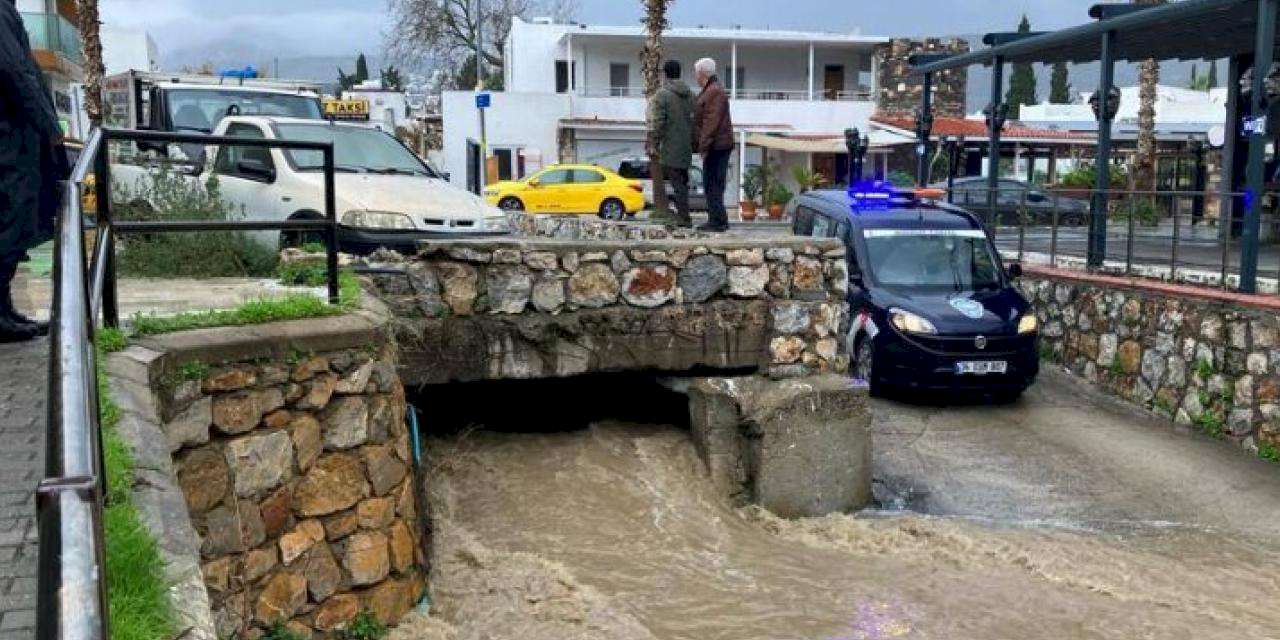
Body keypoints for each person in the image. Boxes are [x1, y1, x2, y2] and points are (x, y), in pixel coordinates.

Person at [0, 0, 65, 342]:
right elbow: (14, 71)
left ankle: (4, 310)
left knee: (13, 222)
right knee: (12, 221)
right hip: (10, 140)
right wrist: (50, 125)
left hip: (13, 136)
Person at [649, 59, 695, 228]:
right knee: (682, 182)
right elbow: (695, 120)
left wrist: (653, 141)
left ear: (665, 74)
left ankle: (684, 218)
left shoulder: (663, 94)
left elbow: (659, 122)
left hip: (670, 146)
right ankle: (684, 215)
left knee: (677, 184)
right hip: (686, 146)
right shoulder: (691, 95)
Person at [693, 57, 734, 232]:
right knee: (711, 183)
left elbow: (711, 122)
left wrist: (703, 146)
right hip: (716, 145)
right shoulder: (711, 90)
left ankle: (718, 221)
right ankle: (717, 219)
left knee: (713, 184)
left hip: (717, 147)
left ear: (701, 73)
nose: (695, 76)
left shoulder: (714, 92)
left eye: (696, 72)